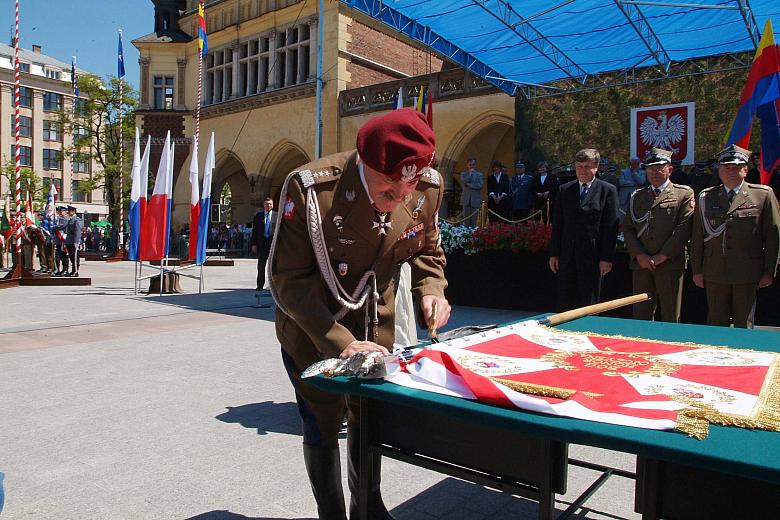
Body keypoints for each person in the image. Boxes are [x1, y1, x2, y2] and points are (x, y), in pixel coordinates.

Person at [269, 108, 451, 520]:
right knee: (323, 423)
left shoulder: (425, 188)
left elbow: (426, 249)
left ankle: (368, 506)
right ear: (365, 163)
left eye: (408, 188)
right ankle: (331, 511)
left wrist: (431, 291)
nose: (401, 198)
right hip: (314, 329)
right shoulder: (312, 190)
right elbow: (287, 280)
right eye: (389, 189)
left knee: (369, 419)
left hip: (375, 328)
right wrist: (341, 342)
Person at [691, 144, 780, 328]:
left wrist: (769, 271)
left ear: (745, 170)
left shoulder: (762, 195)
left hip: (747, 271)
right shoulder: (706, 197)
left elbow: (773, 236)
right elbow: (698, 237)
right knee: (716, 322)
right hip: (714, 270)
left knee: (743, 323)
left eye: (736, 167)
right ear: (720, 171)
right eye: (726, 168)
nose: (731, 171)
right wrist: (697, 270)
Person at [622, 148, 694, 322]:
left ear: (669, 169)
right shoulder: (637, 196)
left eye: (659, 168)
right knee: (641, 315)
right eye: (650, 168)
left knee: (670, 314)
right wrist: (639, 255)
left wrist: (663, 255)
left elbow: (684, 228)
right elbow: (628, 228)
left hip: (669, 264)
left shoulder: (683, 193)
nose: (654, 172)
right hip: (642, 264)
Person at [549, 148, 619, 311]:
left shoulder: (607, 190)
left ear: (596, 166)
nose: (582, 171)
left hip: (593, 257)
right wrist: (554, 253)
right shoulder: (565, 190)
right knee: (565, 301)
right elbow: (558, 224)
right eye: (579, 166)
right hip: (568, 256)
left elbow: (610, 227)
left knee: (589, 303)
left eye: (587, 167)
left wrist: (606, 258)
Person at [250, 197, 276, 292]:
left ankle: (274, 286)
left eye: (270, 204)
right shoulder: (258, 216)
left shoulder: (276, 215)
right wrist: (253, 244)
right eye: (266, 204)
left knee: (274, 267)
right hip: (261, 244)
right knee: (261, 266)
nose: (268, 205)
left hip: (273, 244)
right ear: (263, 205)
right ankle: (260, 286)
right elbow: (255, 231)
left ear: (272, 205)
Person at [57, 205, 82, 277]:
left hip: (73, 240)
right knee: (71, 256)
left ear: (73, 212)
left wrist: (76, 241)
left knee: (75, 257)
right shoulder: (70, 219)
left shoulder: (77, 220)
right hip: (68, 240)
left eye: (70, 211)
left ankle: (75, 271)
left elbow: (77, 231)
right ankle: (72, 271)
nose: (68, 212)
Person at [459, 158, 483, 227]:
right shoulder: (463, 174)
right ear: (467, 165)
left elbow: (480, 185)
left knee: (474, 220)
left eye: (473, 165)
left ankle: (473, 234)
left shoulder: (479, 175)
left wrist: (470, 185)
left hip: (475, 200)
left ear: (476, 165)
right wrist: (470, 174)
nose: (472, 166)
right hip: (466, 199)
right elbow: (464, 182)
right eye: (470, 165)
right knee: (466, 219)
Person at [53, 206, 69, 275]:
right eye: (59, 211)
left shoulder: (66, 219)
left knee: (64, 255)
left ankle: (65, 269)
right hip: (58, 240)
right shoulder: (58, 218)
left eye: (61, 211)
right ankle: (57, 269)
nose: (59, 212)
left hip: (63, 240)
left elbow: (62, 226)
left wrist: (54, 227)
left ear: (65, 212)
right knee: (58, 255)